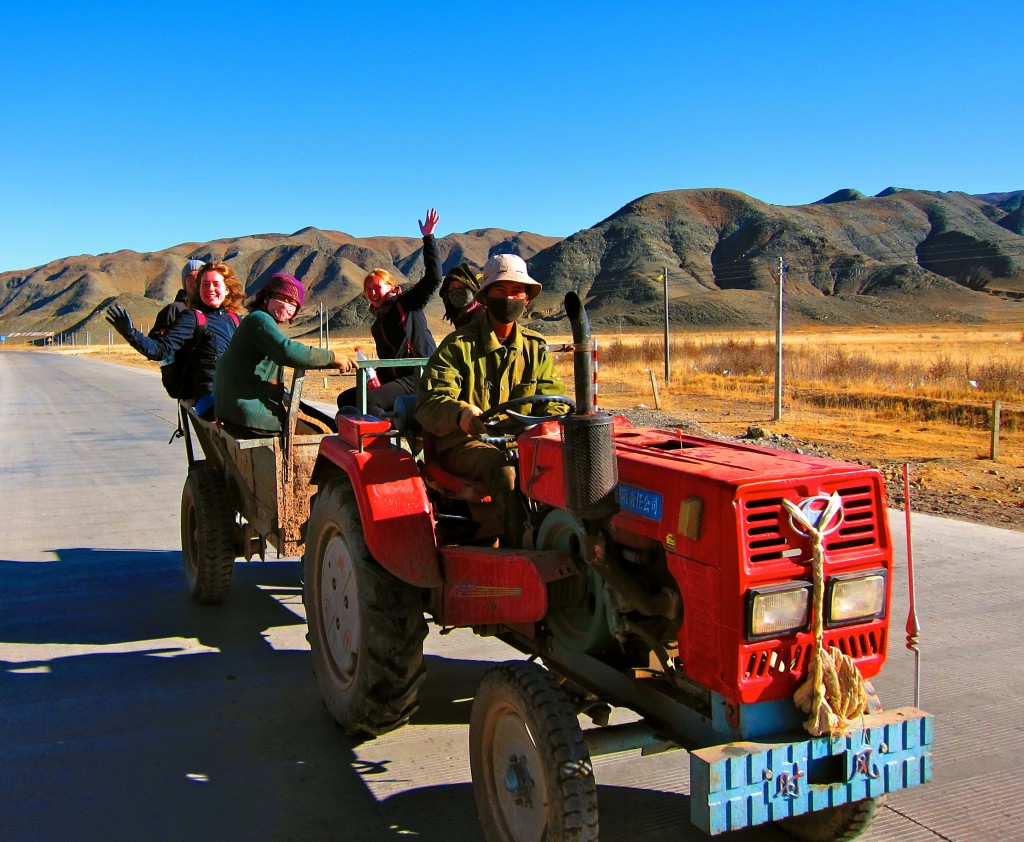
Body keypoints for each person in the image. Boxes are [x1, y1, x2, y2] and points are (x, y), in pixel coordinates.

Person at [415, 253, 568, 546]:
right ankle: (519, 556)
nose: (508, 298)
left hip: (523, 441)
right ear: (486, 297)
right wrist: (462, 414)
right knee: (507, 471)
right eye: (499, 291)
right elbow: (430, 402)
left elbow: (553, 400)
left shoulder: (535, 349)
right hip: (465, 445)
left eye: (516, 291)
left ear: (526, 298)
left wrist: (552, 422)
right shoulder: (458, 346)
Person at [215, 272, 354, 437]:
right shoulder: (259, 319)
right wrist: (332, 358)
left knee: (320, 419)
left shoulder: (257, 320)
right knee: (328, 433)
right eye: (282, 297)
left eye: (293, 302)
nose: (287, 304)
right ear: (267, 297)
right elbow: (288, 351)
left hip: (238, 408)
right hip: (251, 413)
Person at [336, 208, 443, 418]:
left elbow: (434, 277)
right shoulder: (378, 323)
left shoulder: (408, 303)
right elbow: (389, 360)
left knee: (369, 401)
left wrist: (429, 237)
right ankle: (363, 438)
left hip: (420, 375)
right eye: (369, 289)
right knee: (346, 399)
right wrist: (374, 376)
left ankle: (390, 437)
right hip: (397, 379)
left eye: (378, 287)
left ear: (391, 286)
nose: (373, 292)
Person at [105, 260, 245, 417]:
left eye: (215, 284)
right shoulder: (193, 318)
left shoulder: (234, 320)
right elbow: (159, 350)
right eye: (205, 284)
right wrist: (130, 333)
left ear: (227, 290)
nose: (210, 289)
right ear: (198, 289)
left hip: (234, 390)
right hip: (210, 397)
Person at [438, 262, 485, 329]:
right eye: (452, 287)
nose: (457, 292)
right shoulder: (460, 316)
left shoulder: (485, 316)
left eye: (462, 286)